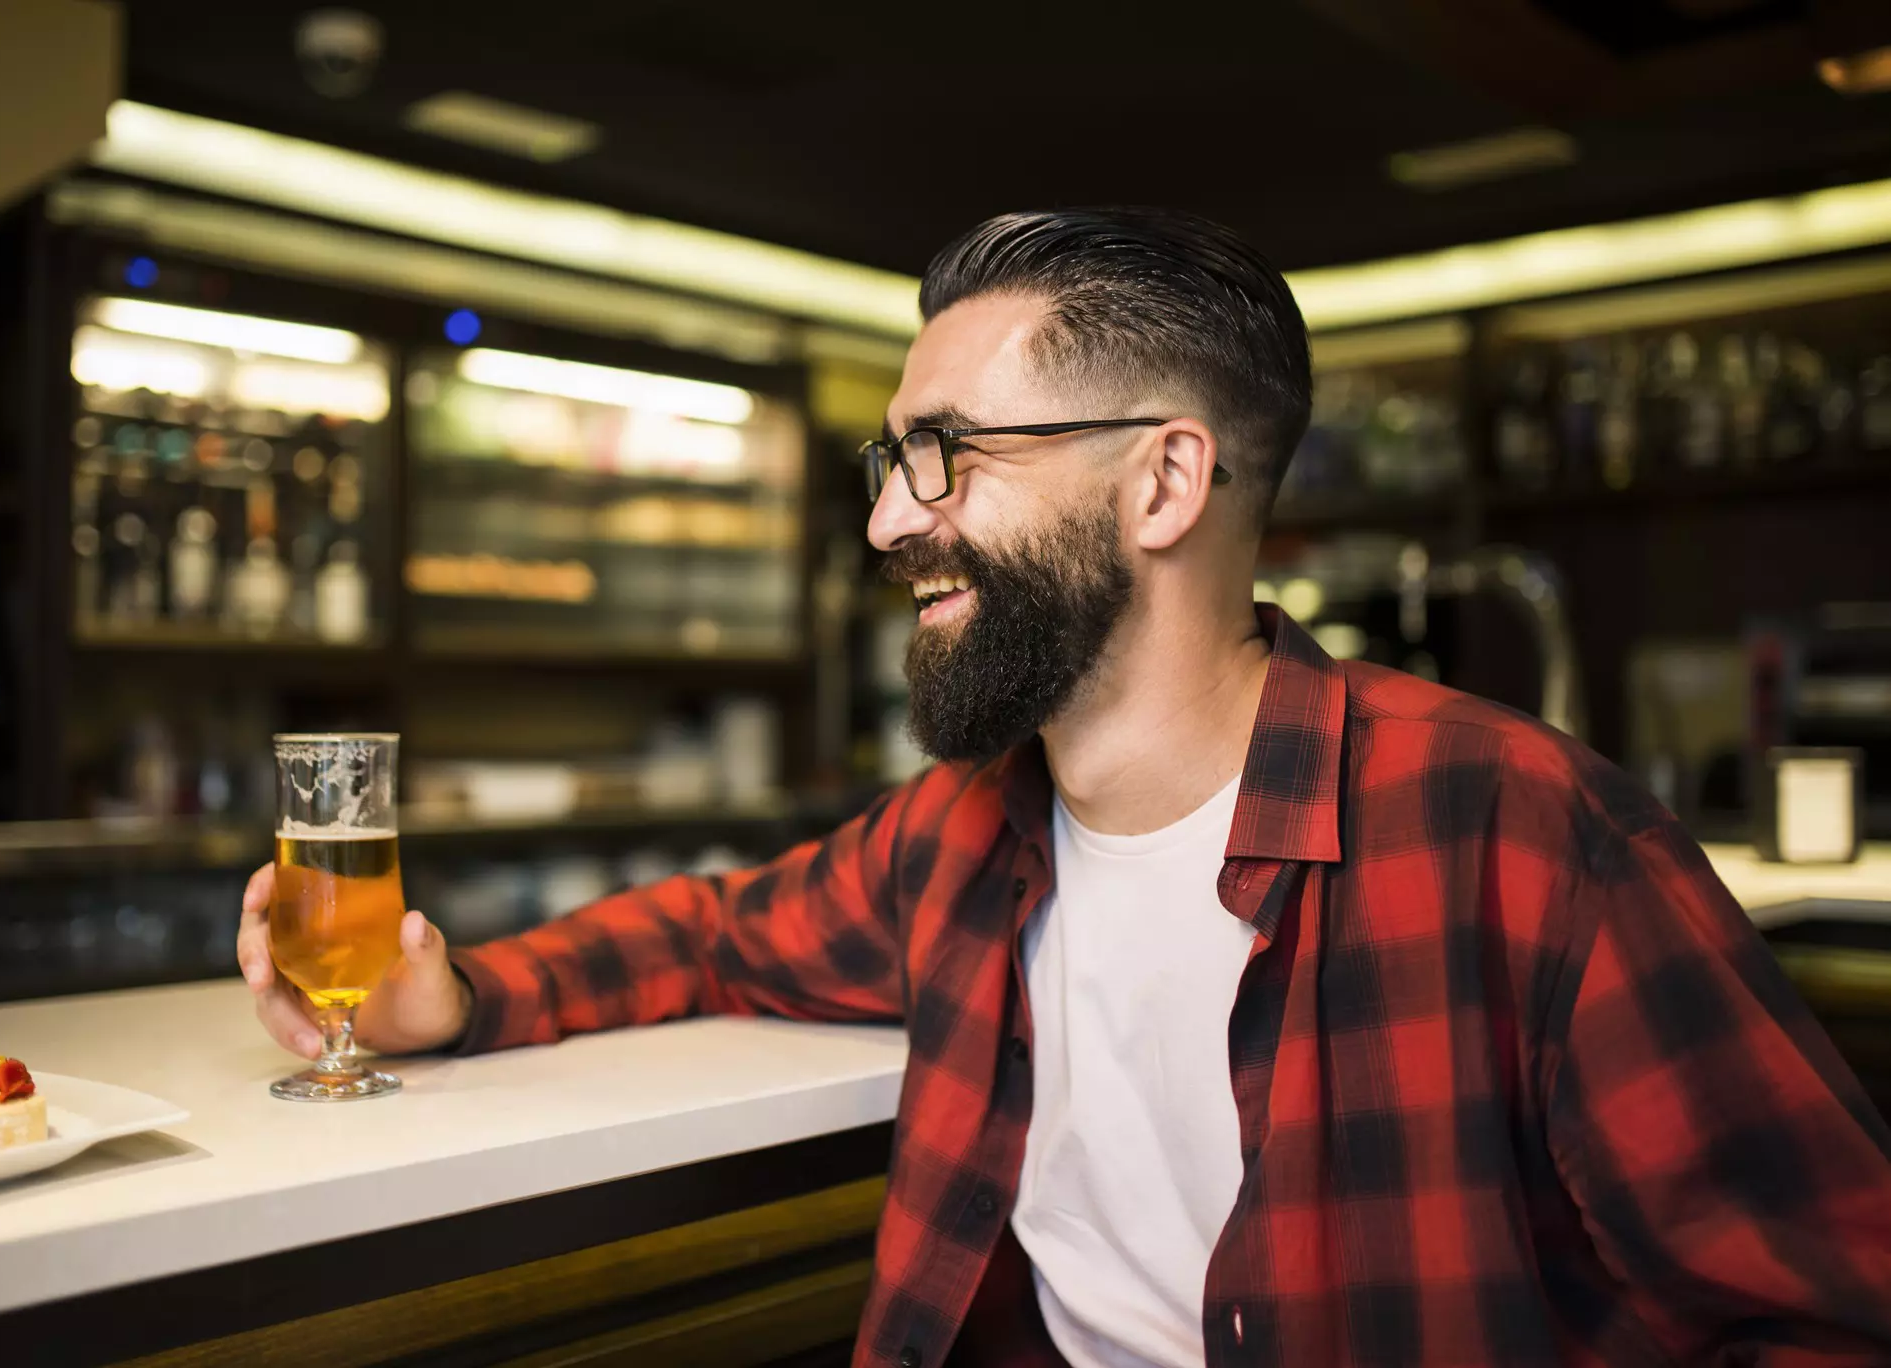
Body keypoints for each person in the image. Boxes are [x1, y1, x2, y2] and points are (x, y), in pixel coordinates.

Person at [239, 208, 1891, 1367]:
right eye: (890, 464)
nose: (891, 520)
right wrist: (450, 998)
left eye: (946, 454)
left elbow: (1829, 1311)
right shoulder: (958, 837)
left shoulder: (1521, 835)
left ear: (1164, 477)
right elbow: (720, 934)